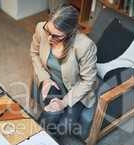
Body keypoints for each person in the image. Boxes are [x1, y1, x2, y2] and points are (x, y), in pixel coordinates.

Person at [30, 5, 98, 135]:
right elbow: (34, 53)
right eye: (48, 31)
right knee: (53, 113)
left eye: (56, 36)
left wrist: (64, 102)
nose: (49, 38)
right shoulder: (40, 28)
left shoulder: (85, 46)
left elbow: (88, 81)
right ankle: (34, 141)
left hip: (76, 89)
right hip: (52, 81)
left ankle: (35, 139)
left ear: (70, 32)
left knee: (63, 127)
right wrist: (45, 79)